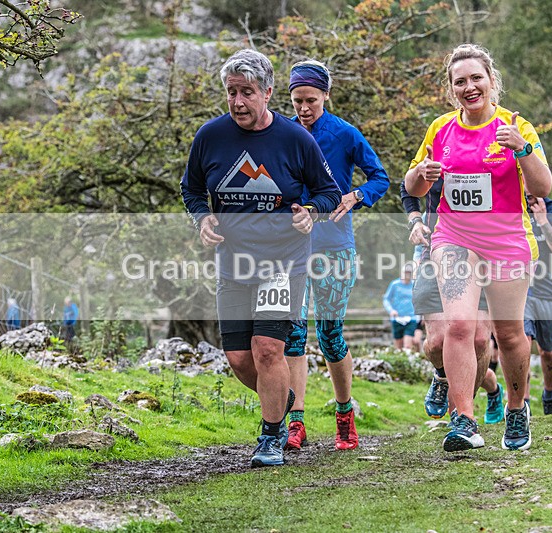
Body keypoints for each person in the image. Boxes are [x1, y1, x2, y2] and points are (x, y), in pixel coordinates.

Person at [180, 49, 341, 468]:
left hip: (283, 261)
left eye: (247, 92)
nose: (238, 102)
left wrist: (311, 212)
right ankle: (281, 397)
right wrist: (202, 218)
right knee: (239, 359)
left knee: (268, 349)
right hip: (233, 262)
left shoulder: (295, 139)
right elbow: (191, 189)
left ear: (267, 93)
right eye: (231, 92)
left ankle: (271, 436)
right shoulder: (210, 136)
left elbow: (328, 192)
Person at [405, 43, 552, 452]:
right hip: (455, 238)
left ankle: (517, 408)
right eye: (460, 82)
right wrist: (421, 173)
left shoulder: (515, 126)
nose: (469, 87)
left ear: (491, 82)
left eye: (476, 79)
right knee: (458, 325)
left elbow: (543, 187)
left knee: (508, 334)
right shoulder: (440, 129)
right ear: (451, 88)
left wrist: (521, 148)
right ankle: (464, 420)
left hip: (507, 240)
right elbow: (412, 186)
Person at [283, 59, 390, 452]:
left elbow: (380, 177)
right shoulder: (282, 133)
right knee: (293, 334)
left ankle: (345, 416)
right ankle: (295, 423)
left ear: (326, 95)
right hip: (290, 247)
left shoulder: (344, 133)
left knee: (329, 335)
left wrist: (356, 195)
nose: (304, 108)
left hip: (334, 247)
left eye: (311, 100)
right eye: (297, 100)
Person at [400, 180, 504, 426]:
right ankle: (441, 376)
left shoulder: (496, 159)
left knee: (479, 340)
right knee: (438, 343)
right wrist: (415, 221)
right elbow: (407, 186)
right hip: (437, 252)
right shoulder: (438, 157)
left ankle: (462, 416)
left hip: (485, 254)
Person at [523, 193, 552, 414]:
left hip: (549, 291)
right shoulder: (512, 203)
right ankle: (522, 403)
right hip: (521, 288)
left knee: (548, 352)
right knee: (522, 344)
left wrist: (543, 221)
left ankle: (549, 395)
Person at [383, 263, 419, 350]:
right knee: (398, 347)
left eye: (409, 272)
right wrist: (391, 310)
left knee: (407, 346)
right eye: (406, 272)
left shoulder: (415, 285)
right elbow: (386, 299)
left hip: (411, 318)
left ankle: (408, 355)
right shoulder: (395, 284)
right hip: (397, 318)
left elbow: (419, 300)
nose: (407, 274)